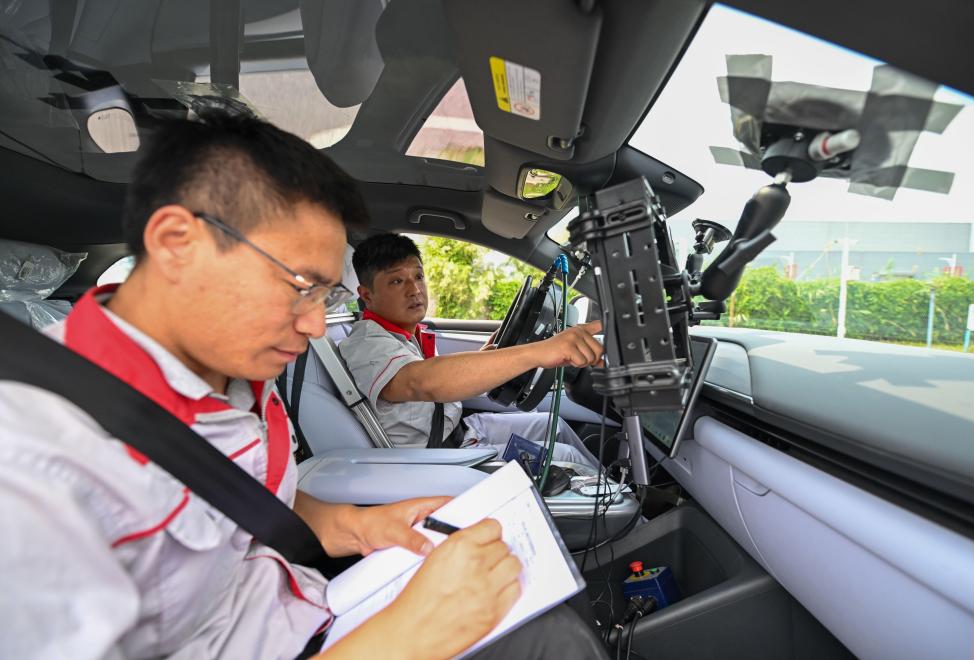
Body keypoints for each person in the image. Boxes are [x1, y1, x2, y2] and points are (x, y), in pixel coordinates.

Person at [0, 112, 607, 660]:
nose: (318, 325)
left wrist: (355, 525)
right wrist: (407, 638)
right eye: (300, 287)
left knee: (547, 607)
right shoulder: (30, 470)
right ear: (177, 245)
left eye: (326, 295)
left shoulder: (234, 377)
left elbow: (244, 507)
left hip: (307, 611)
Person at [338, 234, 604, 467]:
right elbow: (421, 382)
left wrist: (486, 358)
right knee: (566, 456)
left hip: (461, 431)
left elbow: (439, 383)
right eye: (397, 281)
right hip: (436, 459)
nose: (415, 289)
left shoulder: (406, 333)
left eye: (418, 276)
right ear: (367, 295)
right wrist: (538, 351)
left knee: (552, 425)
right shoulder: (366, 343)